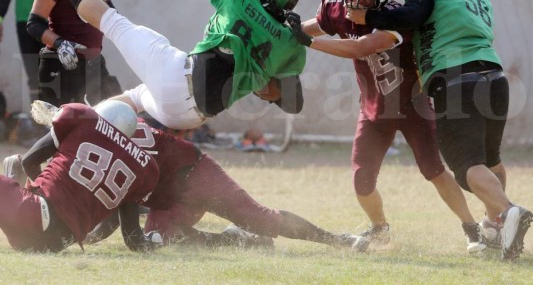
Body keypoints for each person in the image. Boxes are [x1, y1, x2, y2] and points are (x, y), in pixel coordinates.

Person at [344, 0, 532, 260]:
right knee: (490, 160)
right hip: (495, 77)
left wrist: (371, 17)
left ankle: (509, 212)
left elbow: (412, 15)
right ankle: (494, 223)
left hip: (458, 77)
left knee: (465, 166)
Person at [291, 0, 485, 253]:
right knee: (361, 179)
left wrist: (306, 41)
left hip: (413, 107)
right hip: (373, 110)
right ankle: (380, 228)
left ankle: (471, 228)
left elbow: (362, 46)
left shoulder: (396, 20)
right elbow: (316, 26)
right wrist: (287, 29)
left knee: (434, 170)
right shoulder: (338, 6)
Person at [33, 0, 306, 130]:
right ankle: (78, 121)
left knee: (115, 23)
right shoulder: (288, 44)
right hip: (191, 117)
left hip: (178, 78)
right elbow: (294, 105)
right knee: (137, 96)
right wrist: (300, 38)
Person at [84, 110, 362, 250]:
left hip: (197, 176)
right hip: (169, 199)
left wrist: (82, 235)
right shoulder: (124, 129)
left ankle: (338, 240)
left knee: (260, 217)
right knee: (161, 239)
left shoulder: (123, 149)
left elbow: (117, 212)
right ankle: (238, 241)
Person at [0, 100, 160, 252]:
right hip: (53, 243)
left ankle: (16, 185)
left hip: (33, 214)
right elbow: (134, 240)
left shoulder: (83, 120)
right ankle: (16, 187)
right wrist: (155, 241)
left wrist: (41, 193)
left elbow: (28, 162)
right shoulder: (143, 167)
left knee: (17, 164)